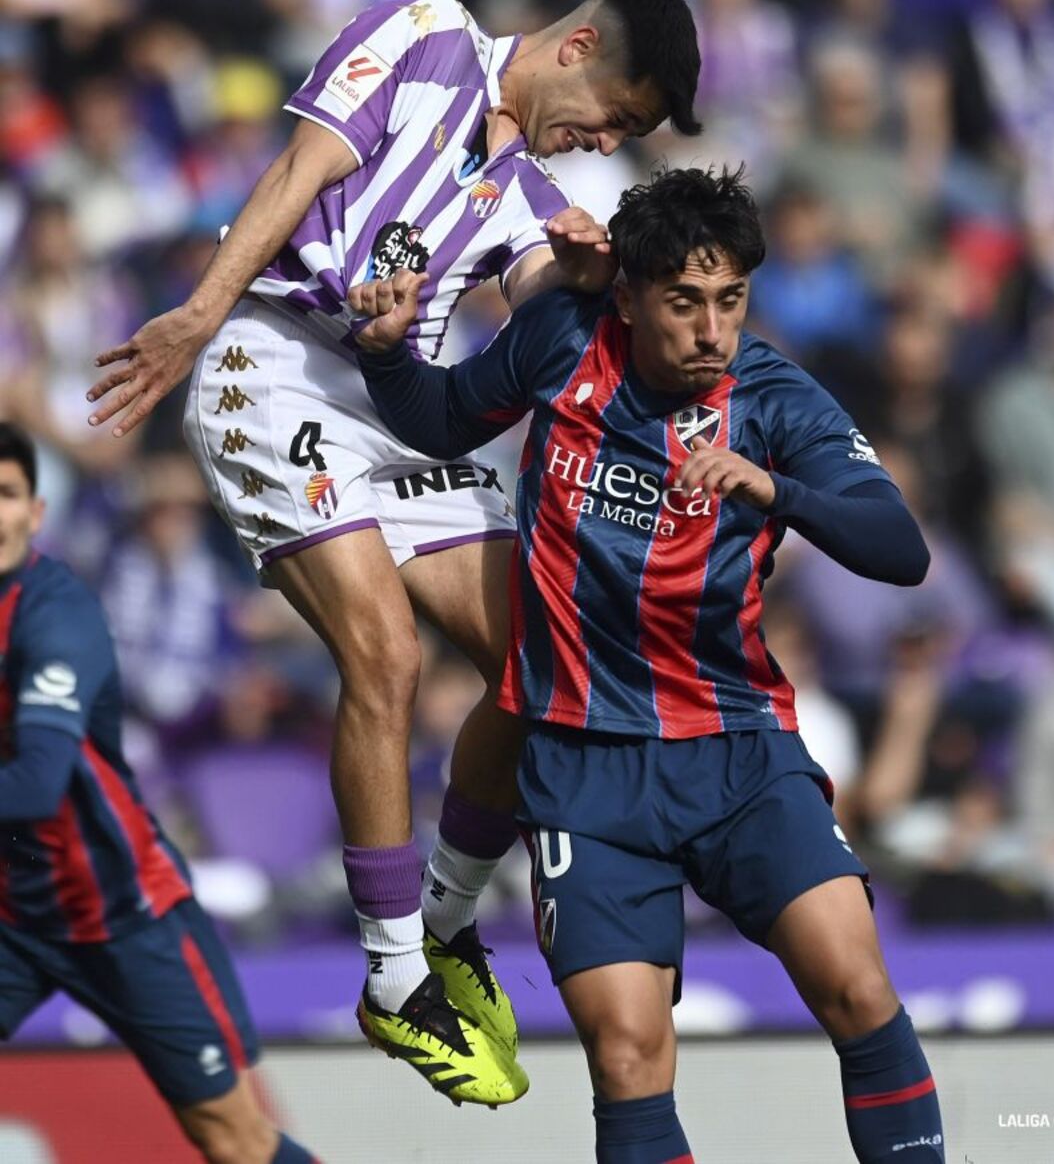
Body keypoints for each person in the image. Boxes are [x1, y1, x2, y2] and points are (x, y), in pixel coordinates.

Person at [86, 0, 702, 1105]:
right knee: (385, 655)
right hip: (266, 357)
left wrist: (588, 281)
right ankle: (390, 975)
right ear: (576, 46)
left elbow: (535, 300)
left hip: (389, 395)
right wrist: (199, 311)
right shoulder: (425, 37)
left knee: (541, 659)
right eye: (617, 114)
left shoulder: (528, 190)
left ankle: (448, 922)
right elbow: (295, 176)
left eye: (626, 140)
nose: (607, 140)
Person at [353, 169, 945, 1162]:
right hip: (586, 773)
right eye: (684, 301)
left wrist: (778, 488)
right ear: (626, 296)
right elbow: (442, 418)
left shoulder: (772, 399)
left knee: (856, 985)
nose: (712, 328)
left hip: (738, 753)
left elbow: (901, 546)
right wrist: (382, 353)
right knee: (629, 1054)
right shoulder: (562, 343)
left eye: (730, 300)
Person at [0, 423, 317, 1164]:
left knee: (232, 1137)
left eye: (7, 493)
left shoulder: (57, 615)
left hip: (122, 909)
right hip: (15, 915)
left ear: (36, 514)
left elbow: (39, 782)